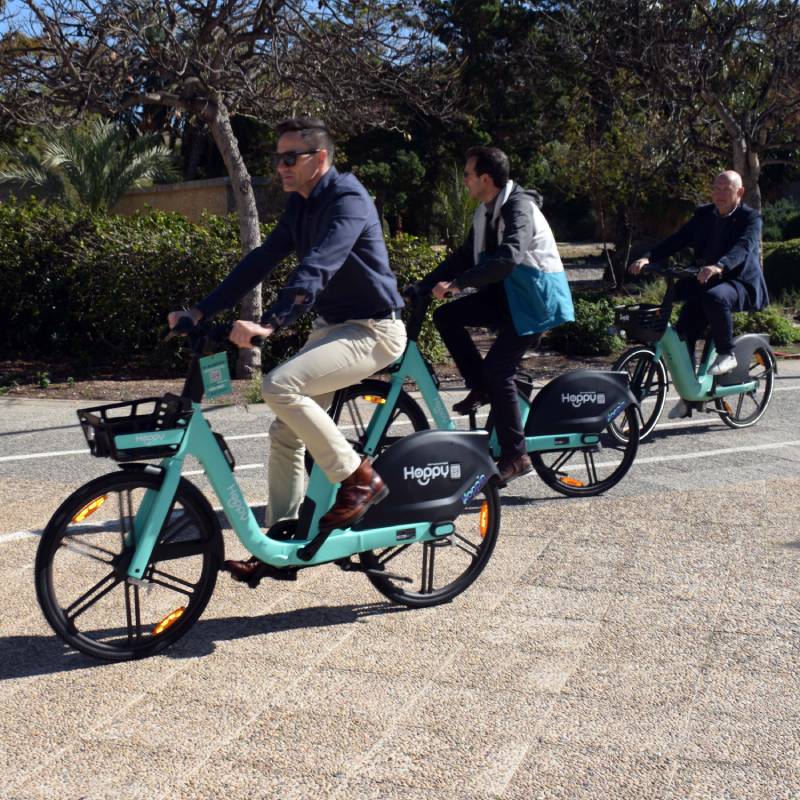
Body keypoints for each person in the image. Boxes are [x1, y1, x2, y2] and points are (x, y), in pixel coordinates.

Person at [168, 117, 406, 583]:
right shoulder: (301, 206)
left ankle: (359, 477)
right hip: (334, 328)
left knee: (279, 385)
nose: (279, 166)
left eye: (288, 157)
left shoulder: (348, 199)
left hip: (374, 330)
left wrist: (272, 322)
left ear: (320, 159)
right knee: (284, 432)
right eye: (276, 158)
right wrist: (200, 310)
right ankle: (280, 544)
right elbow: (260, 261)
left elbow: (318, 266)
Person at [414, 146, 574, 484]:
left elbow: (508, 257)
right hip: (509, 295)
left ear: (485, 178)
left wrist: (458, 285)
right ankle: (482, 388)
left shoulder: (519, 208)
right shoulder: (486, 211)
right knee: (448, 318)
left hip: (536, 300)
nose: (465, 181)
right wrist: (423, 285)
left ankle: (517, 455)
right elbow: (462, 258)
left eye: (469, 175)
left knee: (499, 369)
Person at [629, 170, 768, 418]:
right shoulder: (704, 215)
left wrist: (720, 265)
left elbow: (743, 248)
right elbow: (677, 240)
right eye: (716, 188)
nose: (720, 194)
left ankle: (727, 353)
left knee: (715, 297)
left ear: (740, 192)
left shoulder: (750, 218)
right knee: (683, 333)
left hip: (739, 282)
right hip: (705, 281)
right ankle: (690, 394)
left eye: (726, 189)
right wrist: (648, 257)